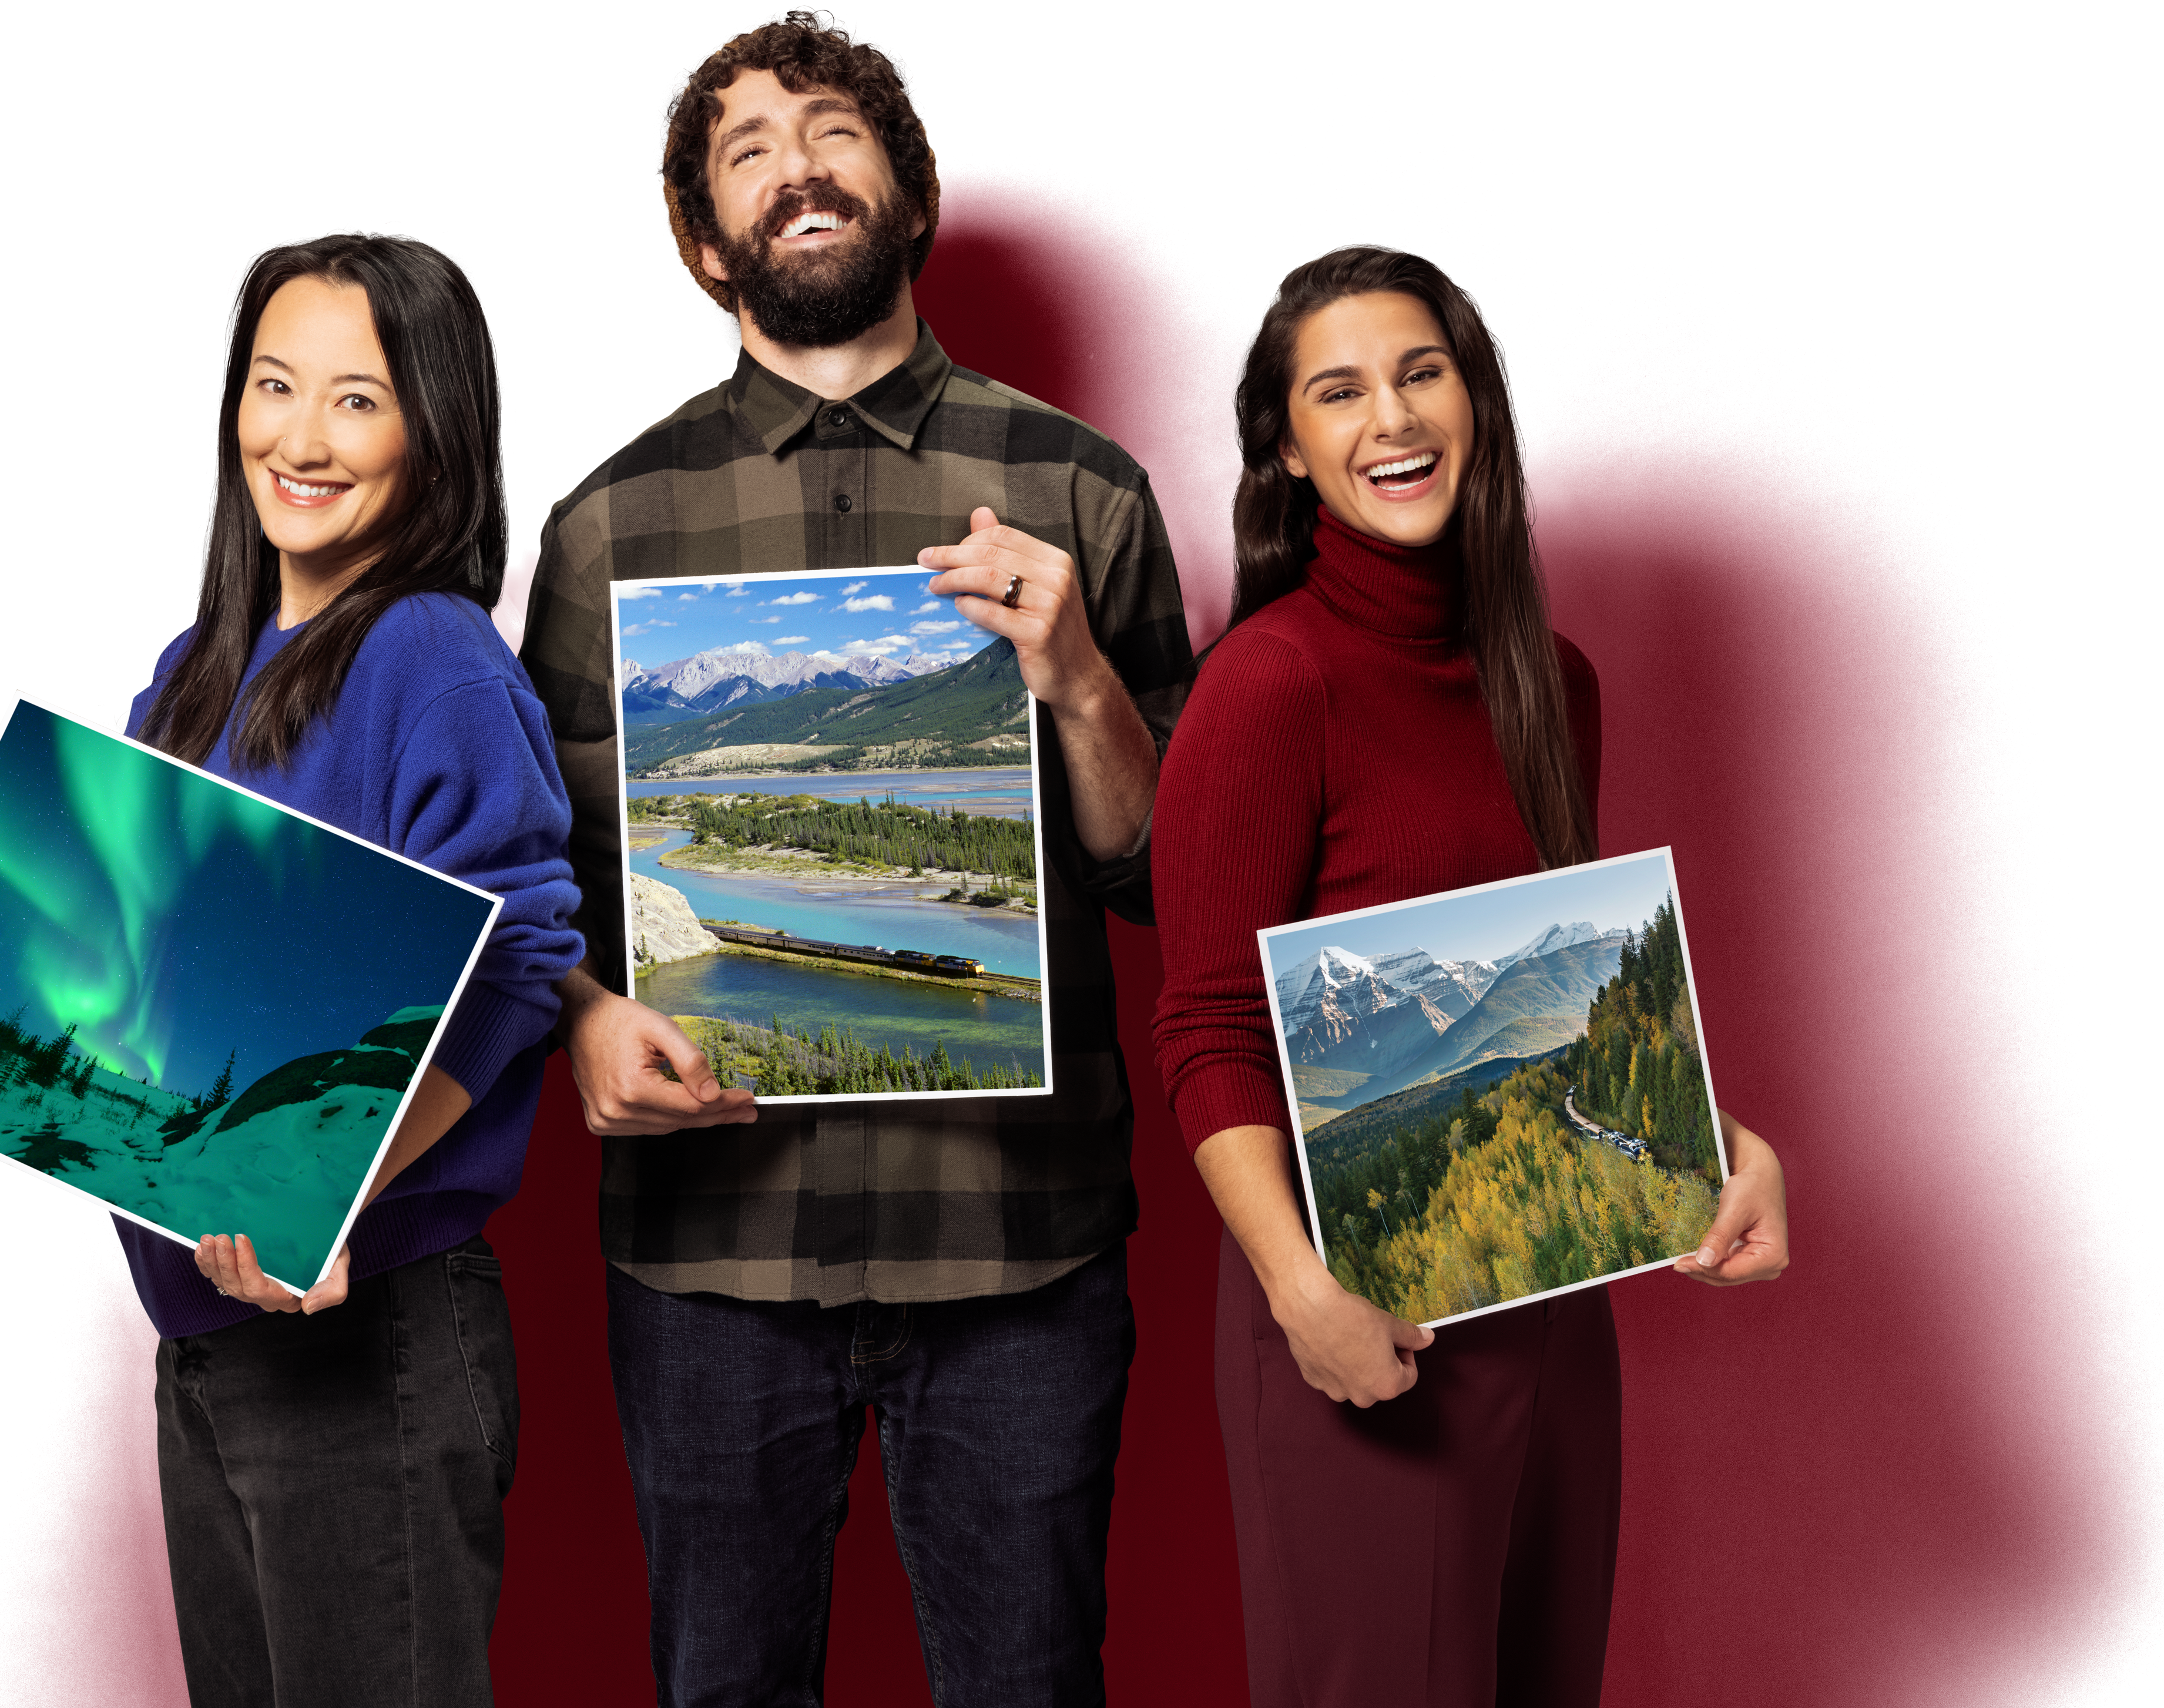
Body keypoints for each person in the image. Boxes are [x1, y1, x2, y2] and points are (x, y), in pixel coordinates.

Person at [516, 14, 1193, 1704]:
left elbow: (1164, 879)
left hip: (1020, 1249)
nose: (797, 167)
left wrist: (1079, 681)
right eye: (747, 150)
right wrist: (586, 1017)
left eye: (832, 129)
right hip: (710, 1262)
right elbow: (543, 880)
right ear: (705, 242)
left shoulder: (1081, 487)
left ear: (905, 187)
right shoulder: (607, 526)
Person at [0, 227, 583, 1708]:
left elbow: (518, 962)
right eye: (274, 384)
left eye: (357, 400)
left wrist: (322, 1191)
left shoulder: (433, 656)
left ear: (436, 431)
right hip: (209, 1331)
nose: (300, 439)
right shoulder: (201, 658)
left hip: (371, 1330)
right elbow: (143, 976)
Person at [1148, 233, 1791, 1707]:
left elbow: (1577, 1001)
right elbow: (1204, 1027)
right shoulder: (1269, 684)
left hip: (1558, 1293)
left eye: (1420, 373)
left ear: (1475, 400)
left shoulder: (1550, 683)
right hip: (1355, 1309)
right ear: (1287, 453)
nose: (1391, 418)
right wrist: (1299, 1291)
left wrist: (1718, 1145)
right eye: (1338, 392)